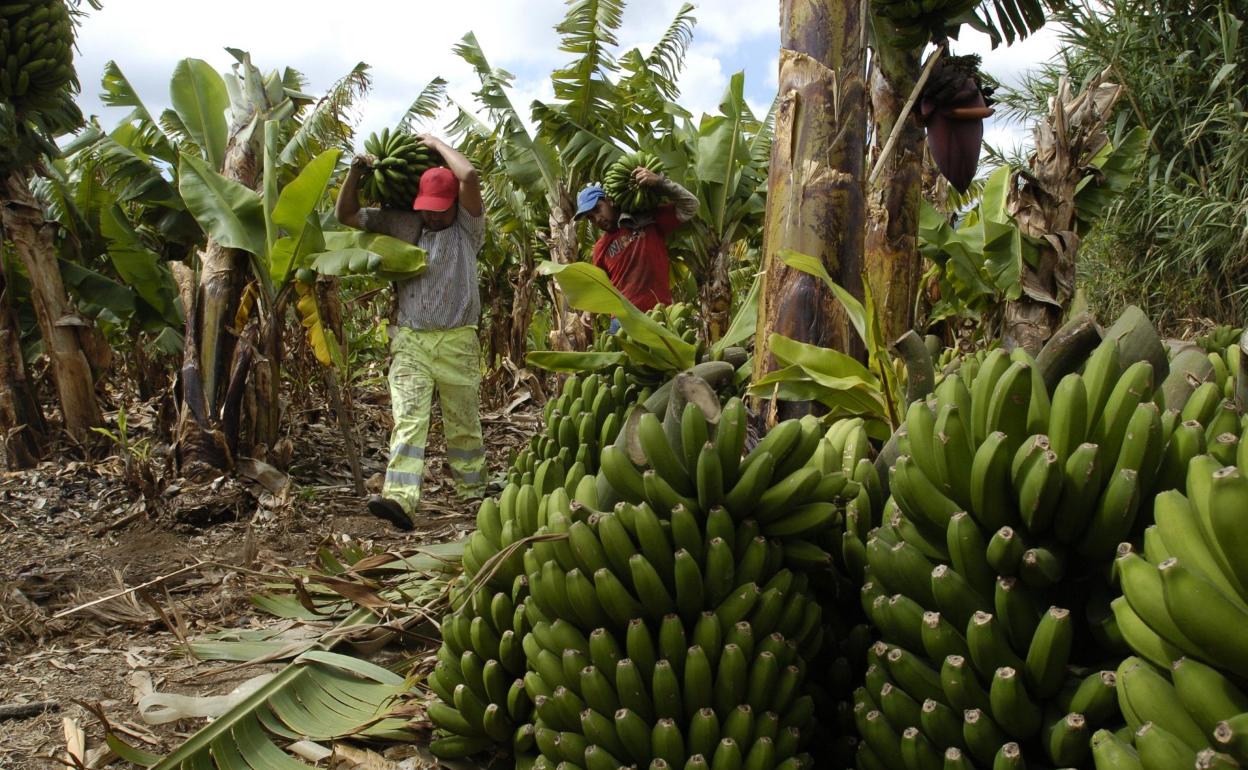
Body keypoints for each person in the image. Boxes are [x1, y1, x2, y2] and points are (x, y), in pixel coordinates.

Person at [336, 134, 487, 531]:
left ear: (454, 205)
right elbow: (347, 217)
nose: (434, 217)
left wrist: (436, 145)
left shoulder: (468, 231)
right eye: (429, 210)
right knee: (408, 420)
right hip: (411, 342)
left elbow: (468, 175)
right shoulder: (404, 223)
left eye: (441, 210)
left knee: (464, 423)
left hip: (457, 340)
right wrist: (355, 173)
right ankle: (400, 500)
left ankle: (473, 496)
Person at [574, 166, 699, 332]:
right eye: (590, 217)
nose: (597, 218)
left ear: (609, 200)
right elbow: (599, 285)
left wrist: (660, 183)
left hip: (661, 313)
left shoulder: (648, 220)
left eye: (597, 209)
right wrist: (588, 312)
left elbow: (691, 205)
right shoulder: (600, 248)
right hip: (622, 321)